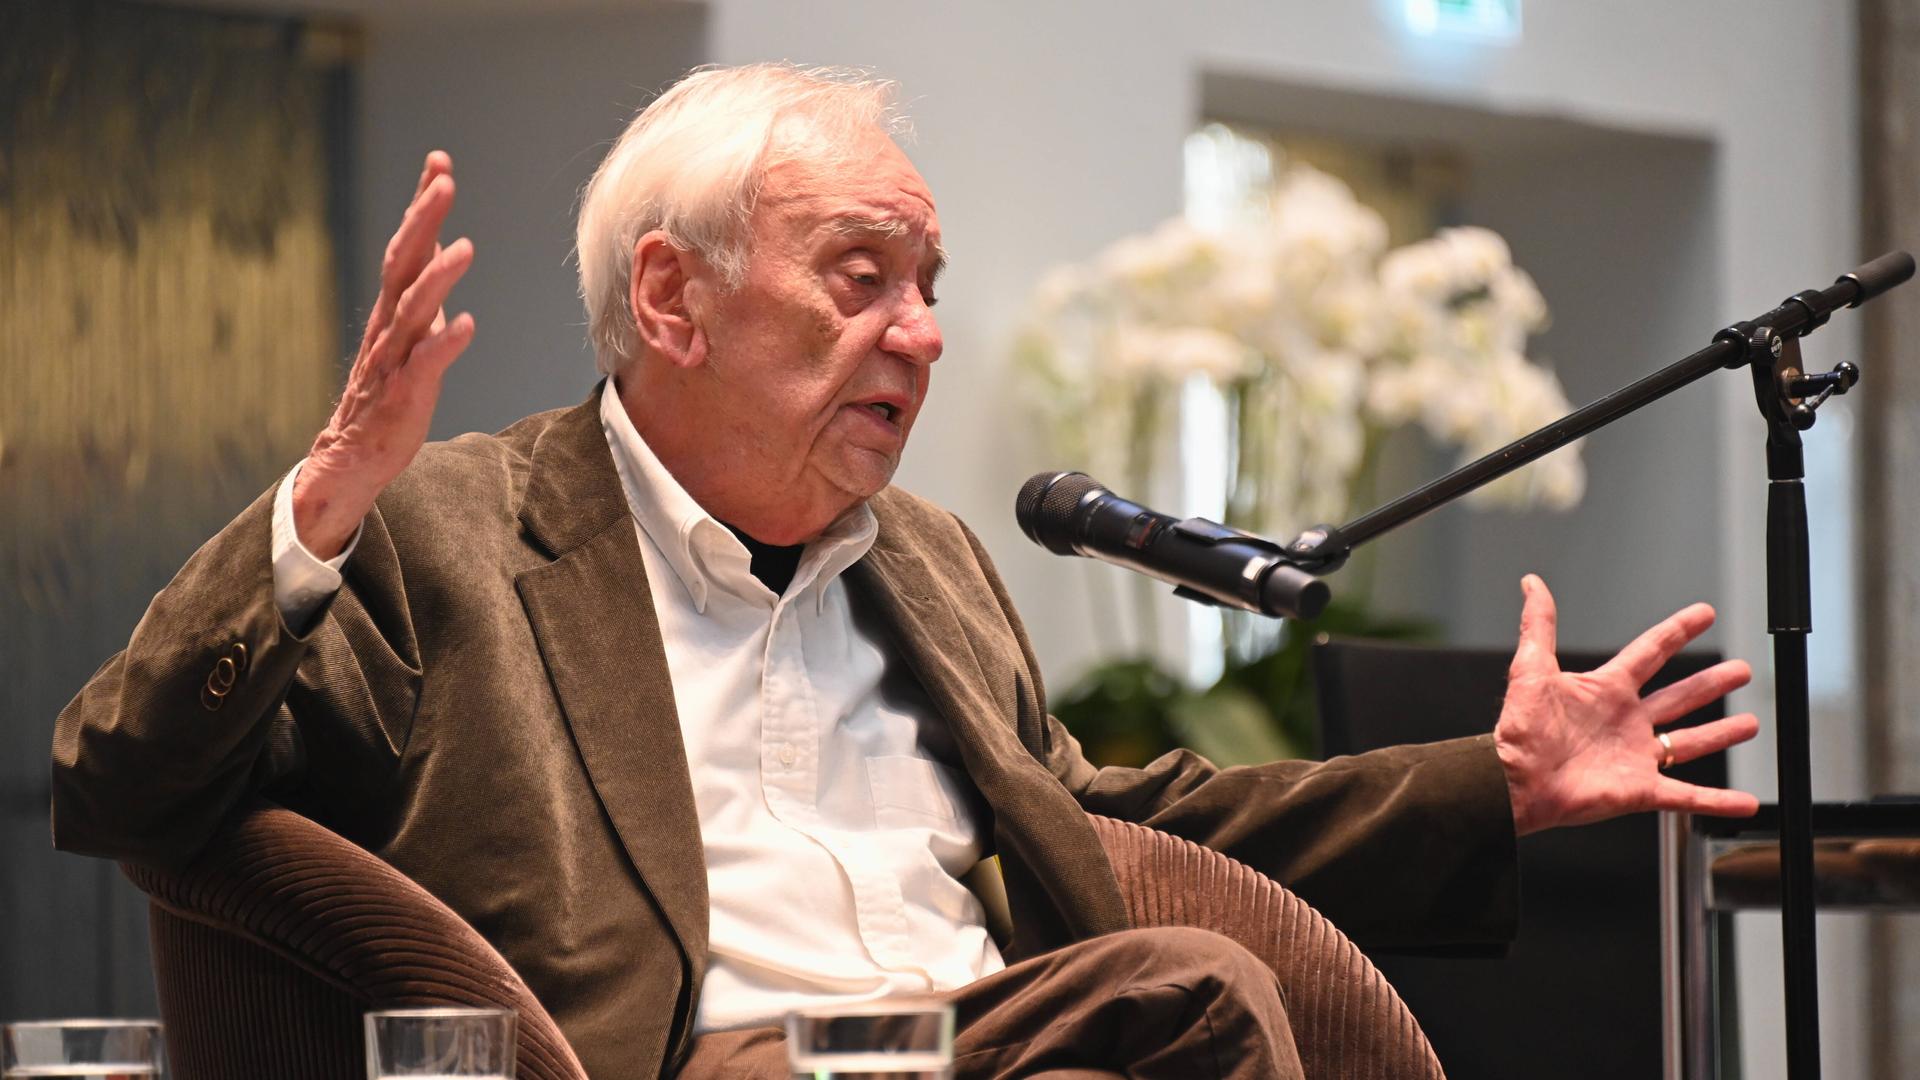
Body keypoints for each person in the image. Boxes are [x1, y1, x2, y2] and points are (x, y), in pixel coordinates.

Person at [50, 63, 1761, 1079]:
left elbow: (1123, 825)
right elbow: (124, 783)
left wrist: (1503, 784)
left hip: (992, 1048)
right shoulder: (445, 535)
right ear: (673, 301)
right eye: (860, 275)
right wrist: (326, 500)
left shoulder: (930, 561)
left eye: (928, 280)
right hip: (687, 1056)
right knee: (1195, 992)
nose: (922, 333)